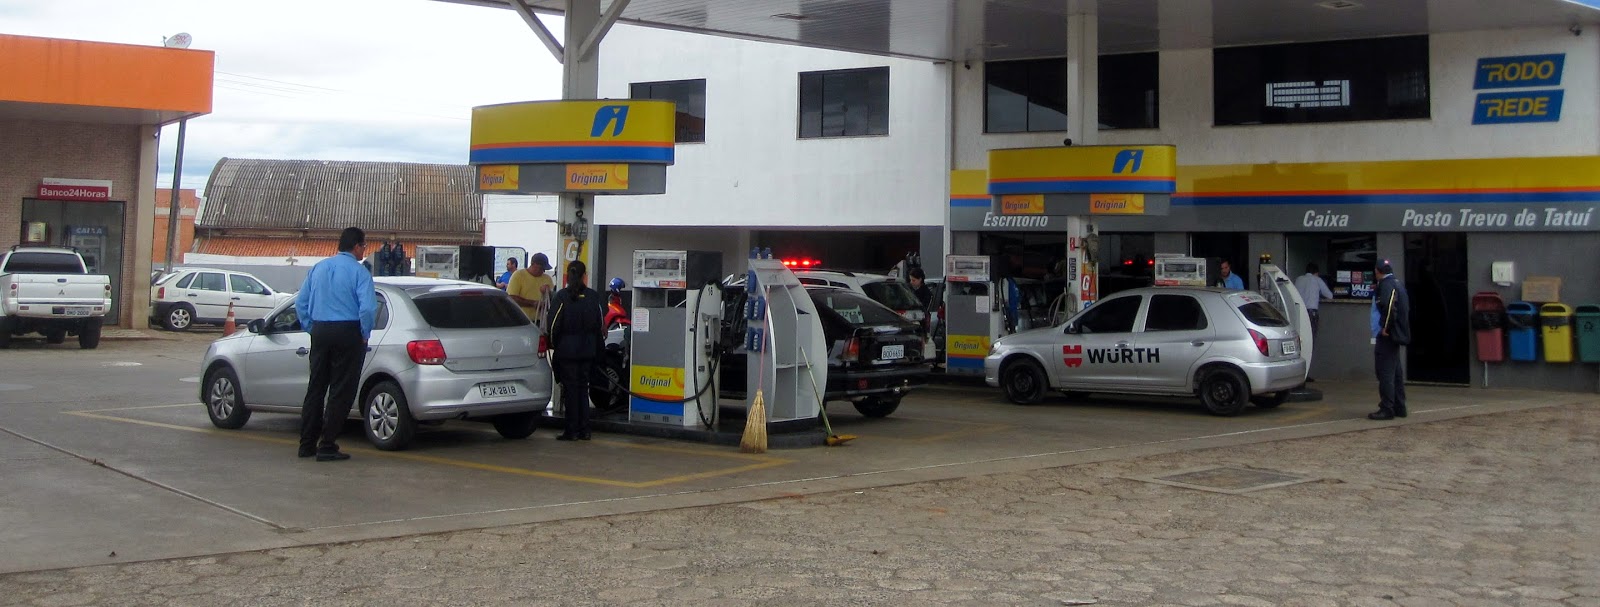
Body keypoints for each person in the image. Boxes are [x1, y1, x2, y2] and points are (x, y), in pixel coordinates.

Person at [295, 227, 379, 462]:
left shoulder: (318, 268)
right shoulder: (360, 273)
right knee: (341, 390)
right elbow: (367, 308)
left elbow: (301, 303)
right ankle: (327, 444)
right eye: (364, 246)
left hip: (320, 330)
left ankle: (306, 444)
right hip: (348, 331)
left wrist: (311, 327)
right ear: (357, 246)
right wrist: (364, 333)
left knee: (316, 388)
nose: (364, 251)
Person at [546, 260, 605, 441]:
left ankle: (571, 431)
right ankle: (585, 430)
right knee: (583, 389)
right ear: (584, 275)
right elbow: (600, 325)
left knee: (571, 390)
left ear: (567, 275)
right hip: (587, 350)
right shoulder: (593, 297)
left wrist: (555, 345)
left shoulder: (562, 297)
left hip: (567, 351)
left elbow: (553, 325)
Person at [1370, 259, 1411, 421]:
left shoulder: (1386, 285)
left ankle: (1387, 408)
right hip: (1395, 335)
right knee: (1395, 372)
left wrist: (1385, 327)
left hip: (1387, 335)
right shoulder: (1397, 283)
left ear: (1377, 271)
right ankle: (1399, 406)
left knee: (1385, 372)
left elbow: (1389, 307)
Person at [508, 252, 555, 326]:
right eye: (541, 268)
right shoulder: (518, 275)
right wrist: (533, 303)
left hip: (541, 321)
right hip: (521, 320)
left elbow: (552, 300)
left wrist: (548, 293)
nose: (542, 271)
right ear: (533, 264)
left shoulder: (547, 278)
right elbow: (512, 298)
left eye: (544, 269)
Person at [1293, 263, 1335, 336]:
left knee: (1300, 335)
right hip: (1311, 312)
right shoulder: (1317, 279)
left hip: (1298, 312)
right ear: (1316, 273)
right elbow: (1329, 296)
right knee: (1310, 336)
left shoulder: (1298, 279)